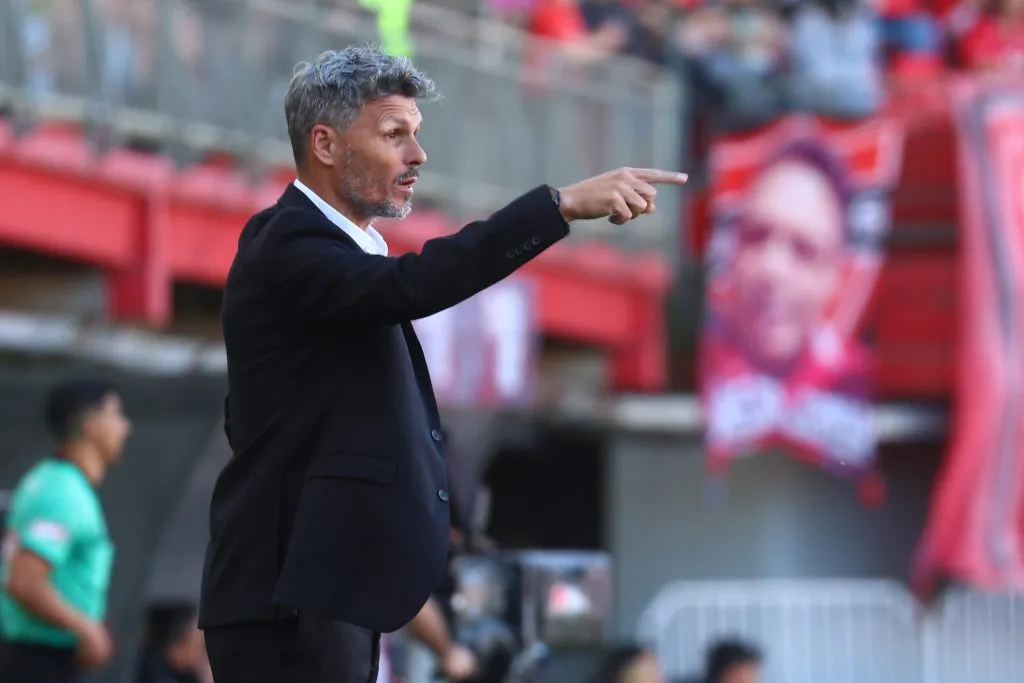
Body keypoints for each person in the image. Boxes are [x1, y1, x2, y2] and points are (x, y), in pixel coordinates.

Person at [198, 43, 687, 683]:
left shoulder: (339, 248)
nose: (418, 155)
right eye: (394, 134)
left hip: (320, 586)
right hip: (291, 594)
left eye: (416, 134)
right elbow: (415, 285)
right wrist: (558, 207)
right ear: (324, 144)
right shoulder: (286, 241)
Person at [0, 379, 132, 683]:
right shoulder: (62, 491)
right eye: (117, 414)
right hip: (37, 661)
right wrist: (87, 629)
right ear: (91, 426)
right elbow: (24, 581)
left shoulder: (57, 481)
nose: (126, 427)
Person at [137, 602, 212, 683]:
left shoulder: (189, 675)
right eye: (199, 646)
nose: (204, 653)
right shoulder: (148, 669)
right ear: (181, 644)